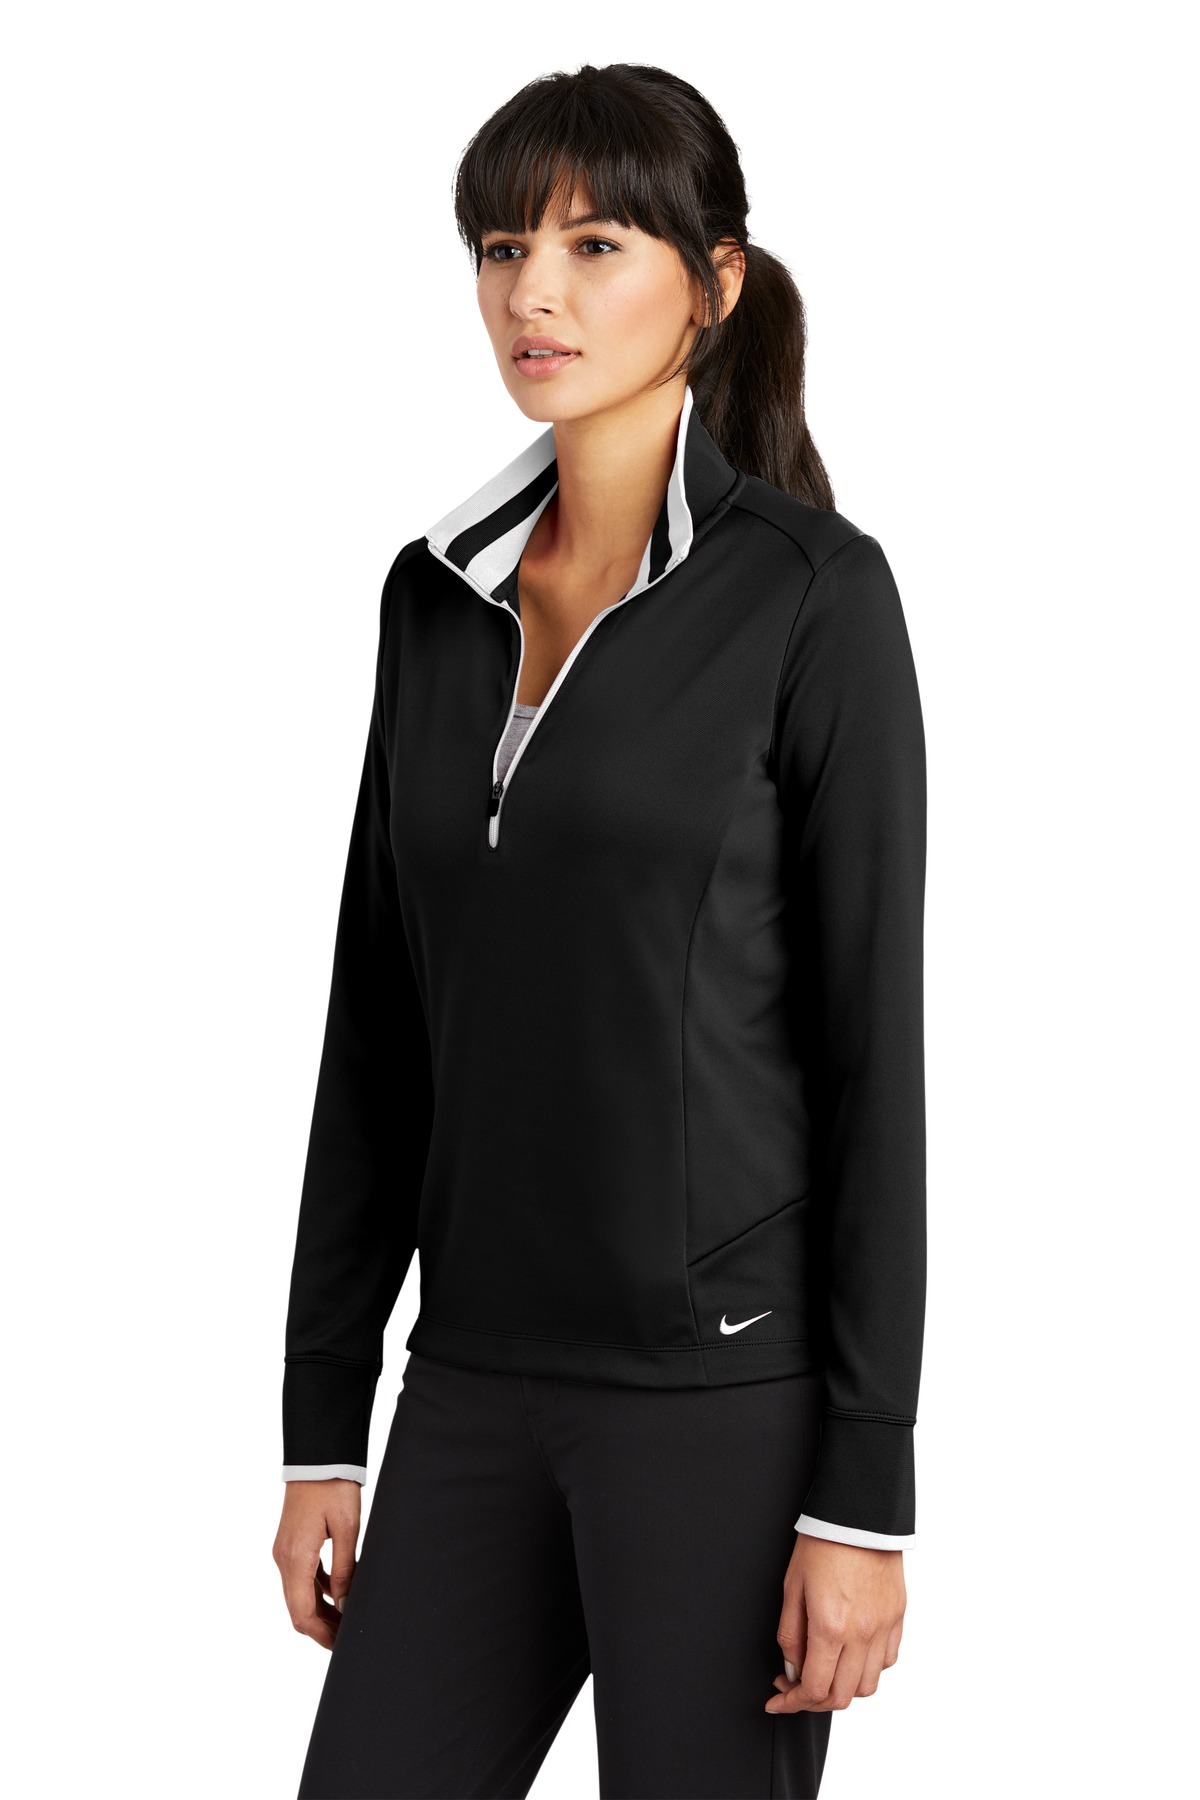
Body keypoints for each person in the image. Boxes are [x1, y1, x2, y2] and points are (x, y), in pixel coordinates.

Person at [272, 60, 927, 1800]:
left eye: (594, 244)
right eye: (502, 248)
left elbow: (872, 1058)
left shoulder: (813, 598)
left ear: (713, 283)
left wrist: (864, 1493)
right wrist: (323, 1419)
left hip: (720, 1404)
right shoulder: (434, 598)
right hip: (471, 1377)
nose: (533, 295)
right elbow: (377, 1024)